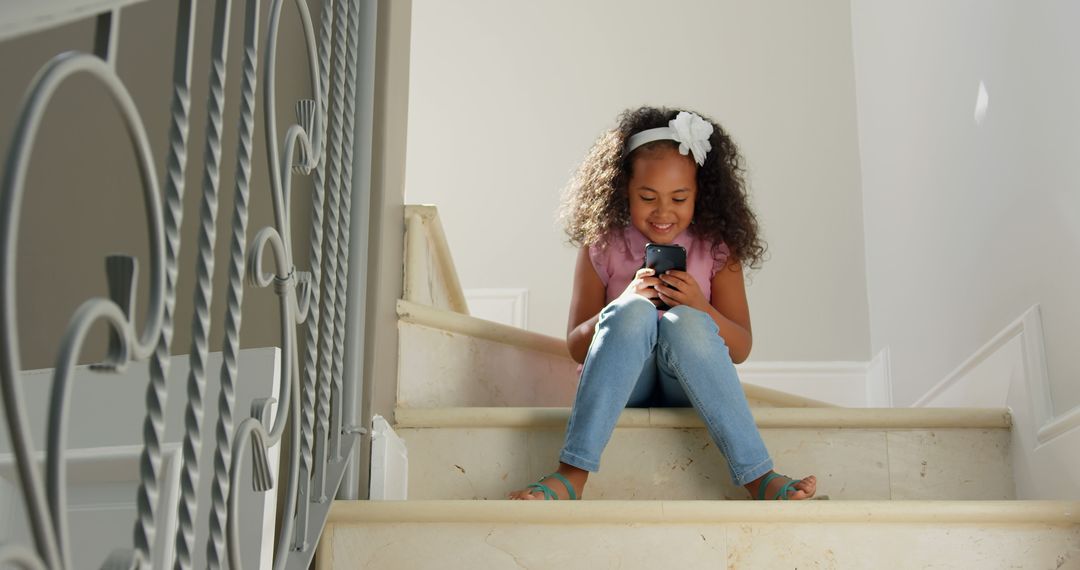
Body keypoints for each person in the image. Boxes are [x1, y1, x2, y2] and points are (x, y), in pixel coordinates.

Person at [507, 106, 818, 501]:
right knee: (633, 312)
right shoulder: (601, 246)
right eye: (648, 197)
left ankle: (759, 476)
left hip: (685, 383)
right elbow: (575, 345)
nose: (663, 211)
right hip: (623, 382)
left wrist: (698, 306)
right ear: (624, 191)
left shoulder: (717, 250)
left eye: (679, 197)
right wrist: (622, 302)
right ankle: (572, 474)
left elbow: (740, 348)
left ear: (699, 195)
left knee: (684, 322)